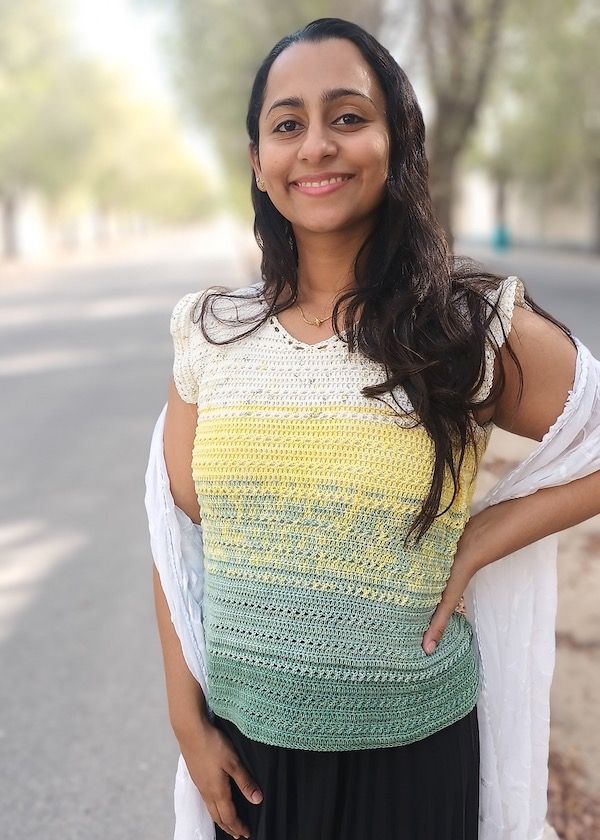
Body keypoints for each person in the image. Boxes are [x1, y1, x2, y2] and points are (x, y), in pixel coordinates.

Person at [150, 17, 600, 840]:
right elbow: (176, 533)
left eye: (348, 117)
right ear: (259, 162)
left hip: (414, 756)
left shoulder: (467, 327)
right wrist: (188, 721)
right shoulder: (211, 333)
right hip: (253, 766)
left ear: (397, 140)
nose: (316, 145)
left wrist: (485, 534)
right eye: (288, 125)